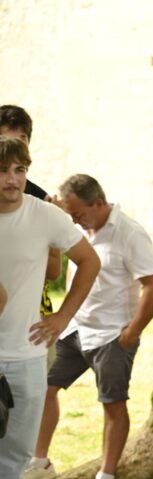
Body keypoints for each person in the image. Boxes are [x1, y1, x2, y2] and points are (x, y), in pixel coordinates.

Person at [23, 174, 153, 479]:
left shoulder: (129, 233)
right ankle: (40, 462)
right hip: (76, 330)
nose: (73, 221)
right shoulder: (84, 227)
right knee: (45, 387)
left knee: (112, 404)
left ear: (98, 203)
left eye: (78, 214)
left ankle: (106, 478)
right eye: (69, 215)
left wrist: (131, 332)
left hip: (112, 336)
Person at [0, 136, 100, 479]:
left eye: (19, 170)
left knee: (16, 458)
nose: (12, 179)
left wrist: (63, 317)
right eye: (3, 171)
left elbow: (89, 262)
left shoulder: (45, 215)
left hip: (27, 355)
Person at [0, 105, 61, 320]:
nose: (14, 146)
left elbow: (53, 272)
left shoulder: (42, 202)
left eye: (22, 139)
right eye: (6, 139)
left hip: (32, 317)